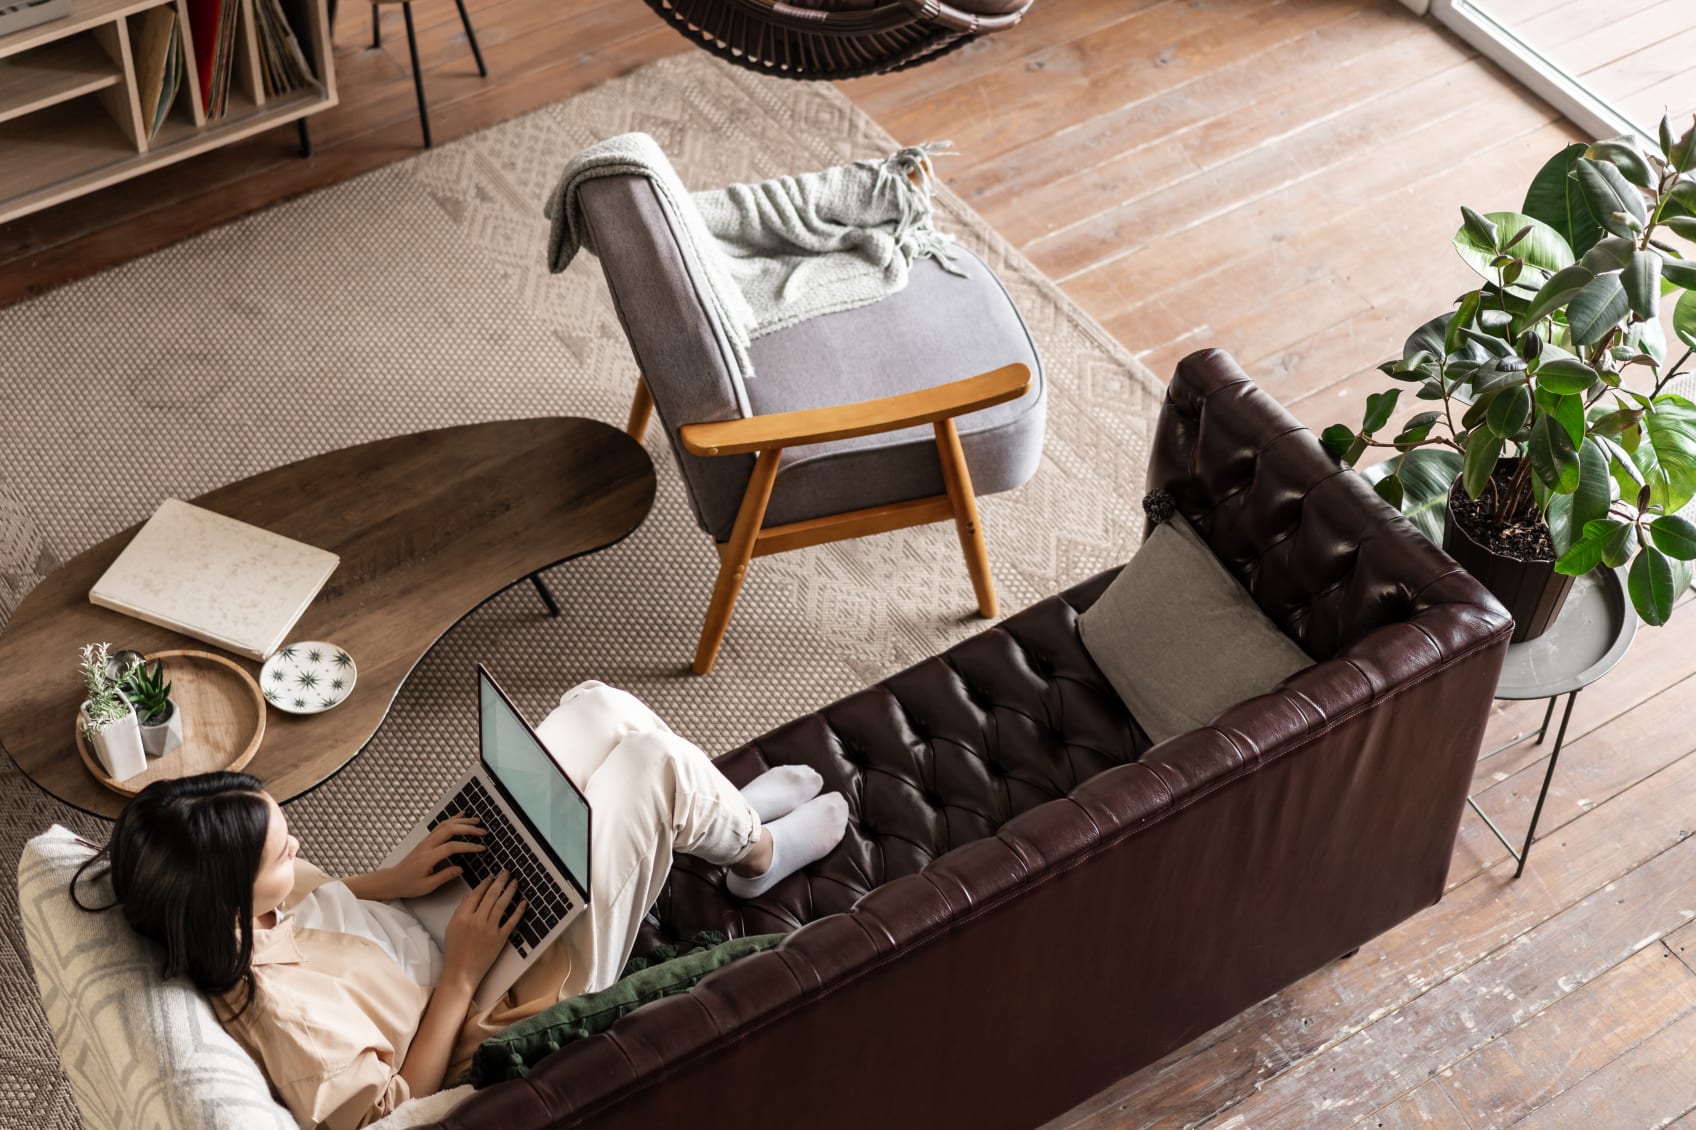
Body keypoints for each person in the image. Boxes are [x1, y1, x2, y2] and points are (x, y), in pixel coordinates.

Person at [74, 680, 849, 1130]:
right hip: (494, 987)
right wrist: (460, 973)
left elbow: (316, 910)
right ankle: (755, 856)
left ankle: (712, 815)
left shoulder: (224, 912)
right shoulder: (292, 1028)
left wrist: (394, 879)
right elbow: (393, 1110)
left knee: (596, 708)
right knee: (649, 768)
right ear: (232, 906)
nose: (299, 845)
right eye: (282, 852)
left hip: (429, 914)